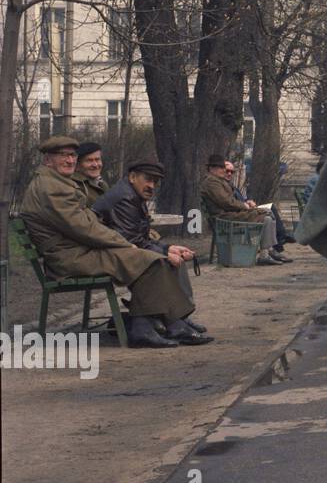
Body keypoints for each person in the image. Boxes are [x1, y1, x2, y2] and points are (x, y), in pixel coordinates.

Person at [19, 136, 212, 347]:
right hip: (69, 258)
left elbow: (85, 222)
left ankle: (156, 324)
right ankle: (152, 326)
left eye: (72, 155)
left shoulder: (55, 183)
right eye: (63, 156)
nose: (69, 160)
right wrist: (124, 244)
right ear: (48, 160)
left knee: (150, 257)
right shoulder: (52, 187)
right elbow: (84, 227)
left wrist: (129, 244)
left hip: (75, 251)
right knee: (150, 259)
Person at [94, 159, 204, 326]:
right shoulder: (125, 198)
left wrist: (169, 248)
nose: (152, 186)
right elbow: (131, 240)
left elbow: (140, 237)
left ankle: (177, 317)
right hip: (110, 255)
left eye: (155, 181)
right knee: (162, 262)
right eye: (148, 179)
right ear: (132, 177)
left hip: (120, 250)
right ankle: (169, 320)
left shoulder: (133, 195)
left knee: (174, 259)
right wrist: (166, 253)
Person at [200, 157, 286, 266]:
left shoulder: (217, 181)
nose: (224, 170)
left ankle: (267, 252)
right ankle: (267, 252)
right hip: (224, 218)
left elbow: (228, 201)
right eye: (221, 167)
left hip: (228, 214)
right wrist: (244, 206)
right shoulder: (212, 182)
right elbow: (226, 202)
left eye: (224, 167)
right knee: (266, 216)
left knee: (267, 215)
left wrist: (245, 205)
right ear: (212, 168)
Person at [224, 159, 294, 252]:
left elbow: (238, 199)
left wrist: (248, 201)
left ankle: (280, 238)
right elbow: (231, 203)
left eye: (232, 172)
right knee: (267, 214)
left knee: (271, 207)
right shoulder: (222, 186)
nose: (229, 174)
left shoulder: (231, 185)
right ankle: (279, 241)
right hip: (241, 213)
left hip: (245, 209)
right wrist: (245, 204)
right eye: (227, 171)